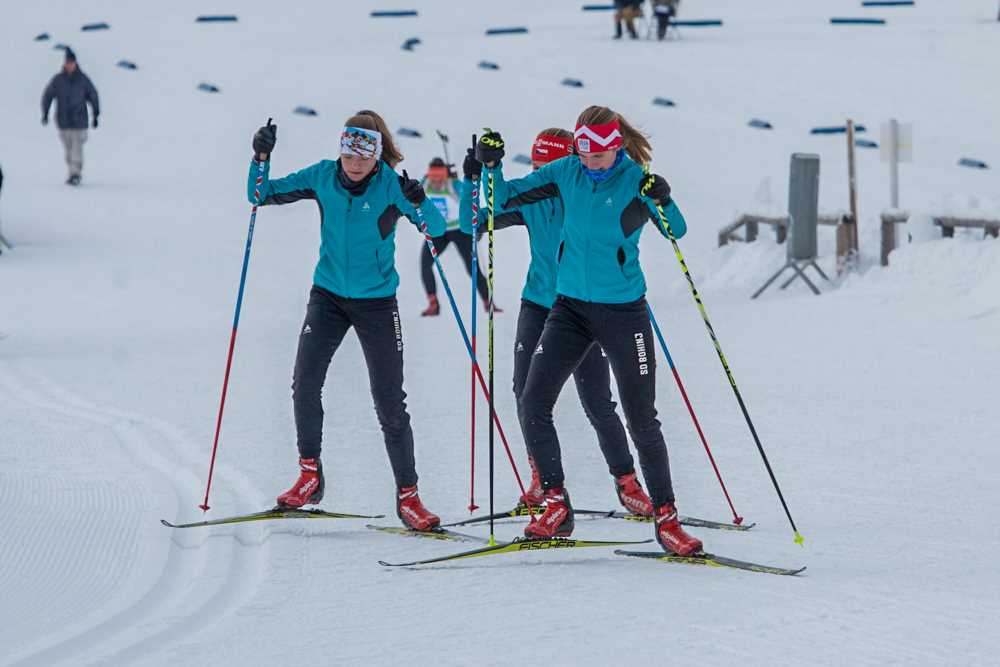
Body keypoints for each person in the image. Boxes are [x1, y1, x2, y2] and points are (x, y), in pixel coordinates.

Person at [474, 106, 703, 555]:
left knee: (641, 417)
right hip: (570, 309)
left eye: (599, 154)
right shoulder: (565, 172)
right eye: (584, 152)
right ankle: (556, 504)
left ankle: (667, 518)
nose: (592, 162)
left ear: (616, 147)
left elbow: (675, 230)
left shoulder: (634, 180)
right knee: (532, 401)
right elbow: (502, 201)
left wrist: (663, 198)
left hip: (623, 312)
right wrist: (492, 166)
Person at [247, 110, 446, 531]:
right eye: (349, 154)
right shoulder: (322, 176)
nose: (355, 164)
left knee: (390, 402)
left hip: (377, 303)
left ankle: (409, 496)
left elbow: (436, 228)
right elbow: (261, 194)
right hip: (328, 297)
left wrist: (418, 200)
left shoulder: (391, 185)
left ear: (377, 156)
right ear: (340, 150)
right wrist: (260, 157)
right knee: (305, 383)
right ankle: (310, 475)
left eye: (364, 156)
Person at [459, 130, 655, 517]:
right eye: (534, 166)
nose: (539, 174)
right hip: (538, 304)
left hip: (583, 309)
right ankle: (541, 479)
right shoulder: (530, 201)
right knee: (525, 393)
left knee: (597, 401)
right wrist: (472, 180)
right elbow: (472, 224)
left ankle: (627, 480)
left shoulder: (582, 197)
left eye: (545, 166)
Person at [418, 157, 496, 316]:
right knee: (425, 264)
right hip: (438, 231)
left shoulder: (453, 185)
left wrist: (478, 228)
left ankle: (487, 302)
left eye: (440, 177)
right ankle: (433, 303)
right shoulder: (424, 184)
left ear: (445, 175)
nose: (436, 181)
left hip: (459, 229)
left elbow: (471, 203)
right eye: (433, 177)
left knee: (472, 266)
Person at [41, 48, 100, 186]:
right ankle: (72, 172)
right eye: (68, 62)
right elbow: (48, 96)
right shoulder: (58, 80)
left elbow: (93, 95)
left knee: (77, 149)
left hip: (80, 121)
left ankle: (75, 174)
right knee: (68, 150)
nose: (69, 65)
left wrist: (95, 114)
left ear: (75, 63)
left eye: (71, 62)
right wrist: (45, 113)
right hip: (64, 121)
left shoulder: (83, 79)